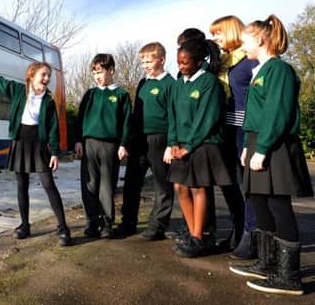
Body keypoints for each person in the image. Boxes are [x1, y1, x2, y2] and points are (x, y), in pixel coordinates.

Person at [229, 15, 313, 295]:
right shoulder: (260, 71)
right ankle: (268, 264)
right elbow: (255, 114)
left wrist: (262, 149)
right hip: (255, 143)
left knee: (278, 206)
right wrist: (246, 147)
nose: (242, 48)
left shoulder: (279, 70)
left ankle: (289, 277)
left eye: (245, 42)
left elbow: (277, 113)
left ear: (261, 39)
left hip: (273, 146)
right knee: (260, 202)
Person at [0, 63, 72, 246]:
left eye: (48, 76)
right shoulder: (18, 90)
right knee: (22, 185)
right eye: (43, 75)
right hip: (19, 142)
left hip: (38, 145)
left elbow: (53, 129)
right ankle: (24, 226)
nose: (47, 79)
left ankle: (63, 229)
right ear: (32, 75)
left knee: (48, 184)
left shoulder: (48, 101)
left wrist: (54, 153)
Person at [165, 38, 235, 258]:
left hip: (203, 144)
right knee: (180, 188)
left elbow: (208, 118)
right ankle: (192, 230)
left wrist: (190, 145)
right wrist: (173, 142)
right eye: (178, 63)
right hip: (181, 144)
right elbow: (173, 116)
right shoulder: (178, 84)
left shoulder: (209, 83)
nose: (181, 67)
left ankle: (198, 237)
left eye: (185, 62)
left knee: (198, 188)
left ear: (199, 61)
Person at [210, 15, 259, 258]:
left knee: (247, 185)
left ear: (231, 31)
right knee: (229, 184)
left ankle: (252, 234)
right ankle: (238, 228)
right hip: (226, 131)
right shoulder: (222, 62)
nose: (215, 37)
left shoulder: (249, 61)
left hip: (245, 131)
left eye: (218, 33)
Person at [116, 42, 175, 240]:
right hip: (139, 140)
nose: (145, 65)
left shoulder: (171, 85)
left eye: (149, 61)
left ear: (162, 59)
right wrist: (127, 141)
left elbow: (174, 117)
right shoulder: (143, 83)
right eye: (142, 61)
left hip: (160, 140)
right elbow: (135, 113)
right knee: (132, 182)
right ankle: (128, 223)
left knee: (162, 185)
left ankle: (157, 226)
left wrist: (171, 144)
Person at [74, 54, 131, 239]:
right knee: (89, 185)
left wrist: (123, 144)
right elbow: (80, 119)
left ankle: (107, 223)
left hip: (110, 146)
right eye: (94, 72)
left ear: (111, 70)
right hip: (89, 144)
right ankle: (92, 222)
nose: (97, 76)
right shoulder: (90, 94)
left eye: (100, 71)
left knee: (107, 186)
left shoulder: (121, 95)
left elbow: (126, 123)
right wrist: (78, 141)